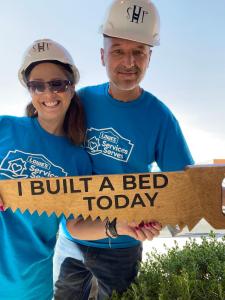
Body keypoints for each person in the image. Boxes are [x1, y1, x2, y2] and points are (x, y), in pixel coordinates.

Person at [53, 0, 194, 299]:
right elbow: (41, 143)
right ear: (103, 55)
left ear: (149, 58)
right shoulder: (80, 101)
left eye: (138, 52)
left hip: (123, 248)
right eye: (118, 51)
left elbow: (184, 190)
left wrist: (157, 219)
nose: (128, 63)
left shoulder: (161, 118)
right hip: (73, 239)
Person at [0, 38, 91, 300]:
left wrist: (122, 227)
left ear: (71, 87)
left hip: (29, 288)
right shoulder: (5, 128)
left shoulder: (78, 160)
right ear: (29, 90)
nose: (47, 94)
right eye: (37, 86)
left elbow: (74, 224)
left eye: (57, 84)